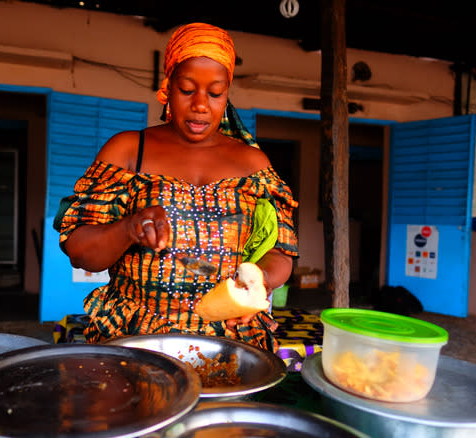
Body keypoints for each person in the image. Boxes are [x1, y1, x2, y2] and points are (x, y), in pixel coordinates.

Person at [54, 22, 298, 352]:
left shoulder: (254, 164)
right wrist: (129, 227)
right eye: (187, 89)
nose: (200, 104)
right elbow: (80, 251)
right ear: (167, 87)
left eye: (215, 93)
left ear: (227, 94)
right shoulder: (129, 151)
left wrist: (258, 285)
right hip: (139, 339)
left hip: (229, 341)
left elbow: (280, 252)